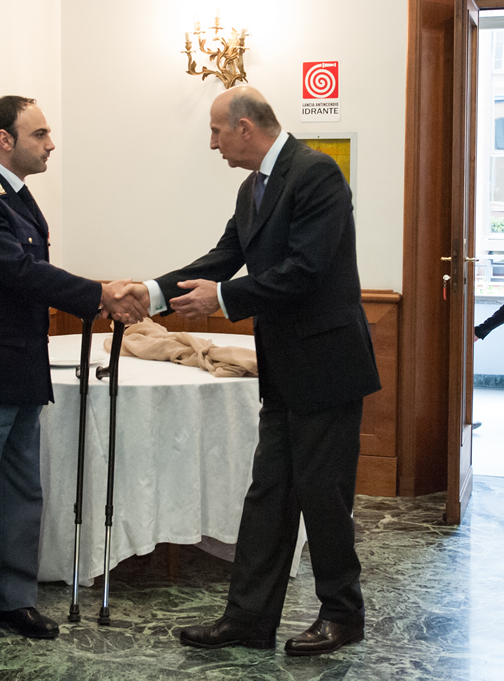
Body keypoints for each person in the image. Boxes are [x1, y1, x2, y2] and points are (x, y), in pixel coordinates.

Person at [128, 86, 381, 656]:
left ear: (246, 127)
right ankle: (248, 618)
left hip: (328, 366)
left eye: (217, 132)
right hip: (285, 369)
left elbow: (306, 271)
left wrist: (222, 299)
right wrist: (149, 291)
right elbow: (220, 258)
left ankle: (344, 614)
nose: (213, 144)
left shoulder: (317, 173)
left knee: (323, 495)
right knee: (268, 494)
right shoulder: (253, 187)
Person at [0, 95, 146, 661]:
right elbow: (17, 270)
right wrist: (98, 294)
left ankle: (12, 598)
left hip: (18, 369)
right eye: (40, 133)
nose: (50, 144)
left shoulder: (17, 197)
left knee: (22, 494)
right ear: (5, 139)